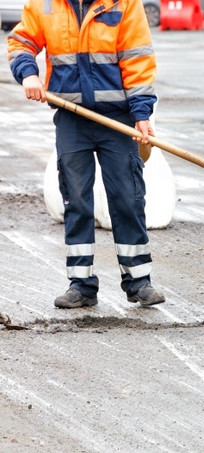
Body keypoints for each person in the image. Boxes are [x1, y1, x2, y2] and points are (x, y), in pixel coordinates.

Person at [7, 0, 165, 309]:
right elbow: (20, 41)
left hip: (116, 120)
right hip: (71, 117)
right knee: (76, 200)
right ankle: (81, 285)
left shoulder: (124, 4)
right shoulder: (45, 5)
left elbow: (138, 60)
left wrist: (141, 114)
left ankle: (139, 282)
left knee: (127, 197)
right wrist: (28, 74)